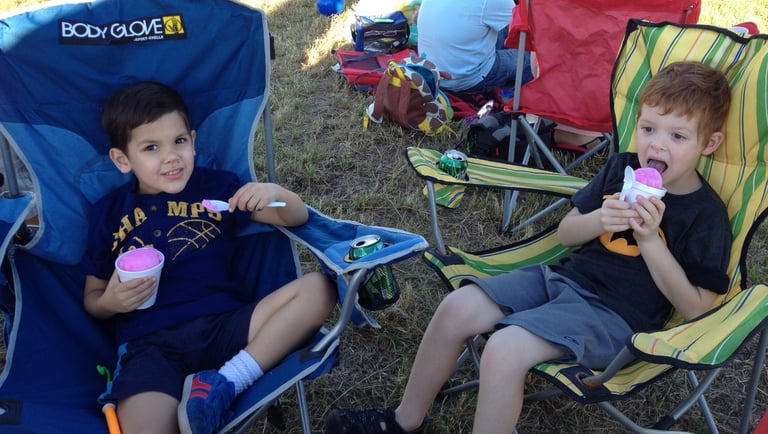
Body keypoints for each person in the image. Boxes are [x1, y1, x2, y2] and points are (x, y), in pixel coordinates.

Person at [325, 61, 732, 434]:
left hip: (614, 318)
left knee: (503, 349)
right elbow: (567, 233)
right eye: (648, 129)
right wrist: (599, 220)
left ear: (709, 143)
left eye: (677, 136)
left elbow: (698, 309)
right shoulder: (621, 168)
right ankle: (403, 421)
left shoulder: (705, 215)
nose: (657, 145)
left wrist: (649, 240)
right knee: (456, 307)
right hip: (561, 280)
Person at [81, 81, 337, 434]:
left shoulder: (216, 189)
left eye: (179, 141)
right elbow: (92, 300)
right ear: (122, 159)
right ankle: (211, 389)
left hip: (226, 326)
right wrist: (110, 302)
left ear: (193, 140)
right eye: (151, 147)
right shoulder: (108, 214)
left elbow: (294, 216)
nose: (171, 156)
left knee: (319, 288)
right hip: (150, 345)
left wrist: (273, 193)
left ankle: (227, 382)